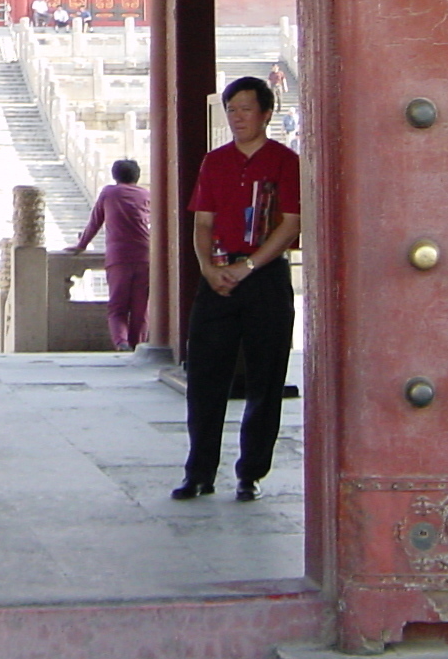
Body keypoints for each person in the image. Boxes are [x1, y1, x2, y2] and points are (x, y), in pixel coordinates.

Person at [173, 76, 301, 504]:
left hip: (264, 278)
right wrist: (208, 267)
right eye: (232, 109)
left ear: (266, 113)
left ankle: (251, 473)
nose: (238, 117)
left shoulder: (286, 161)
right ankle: (199, 472)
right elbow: (202, 222)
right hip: (218, 278)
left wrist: (249, 266)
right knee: (205, 378)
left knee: (266, 379)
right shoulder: (215, 162)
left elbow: (291, 224)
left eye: (246, 109)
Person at [64, 158, 152, 352]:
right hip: (145, 255)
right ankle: (139, 346)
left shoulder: (109, 193)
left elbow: (95, 222)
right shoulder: (146, 194)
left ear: (115, 176)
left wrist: (81, 245)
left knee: (117, 307)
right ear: (137, 176)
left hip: (119, 257)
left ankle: (121, 343)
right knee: (141, 309)